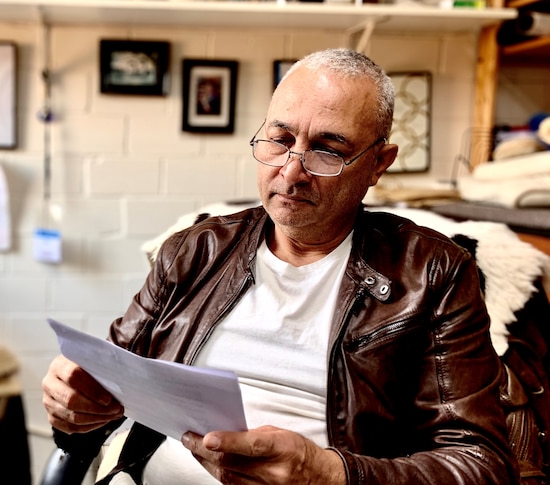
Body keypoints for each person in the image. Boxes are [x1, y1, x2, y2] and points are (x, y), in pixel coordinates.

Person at [42, 48, 519, 484]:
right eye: (280, 139)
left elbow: (481, 464)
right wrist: (75, 406)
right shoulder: (196, 250)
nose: (291, 172)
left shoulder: (434, 273)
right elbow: (105, 390)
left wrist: (329, 474)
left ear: (379, 163)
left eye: (328, 149)